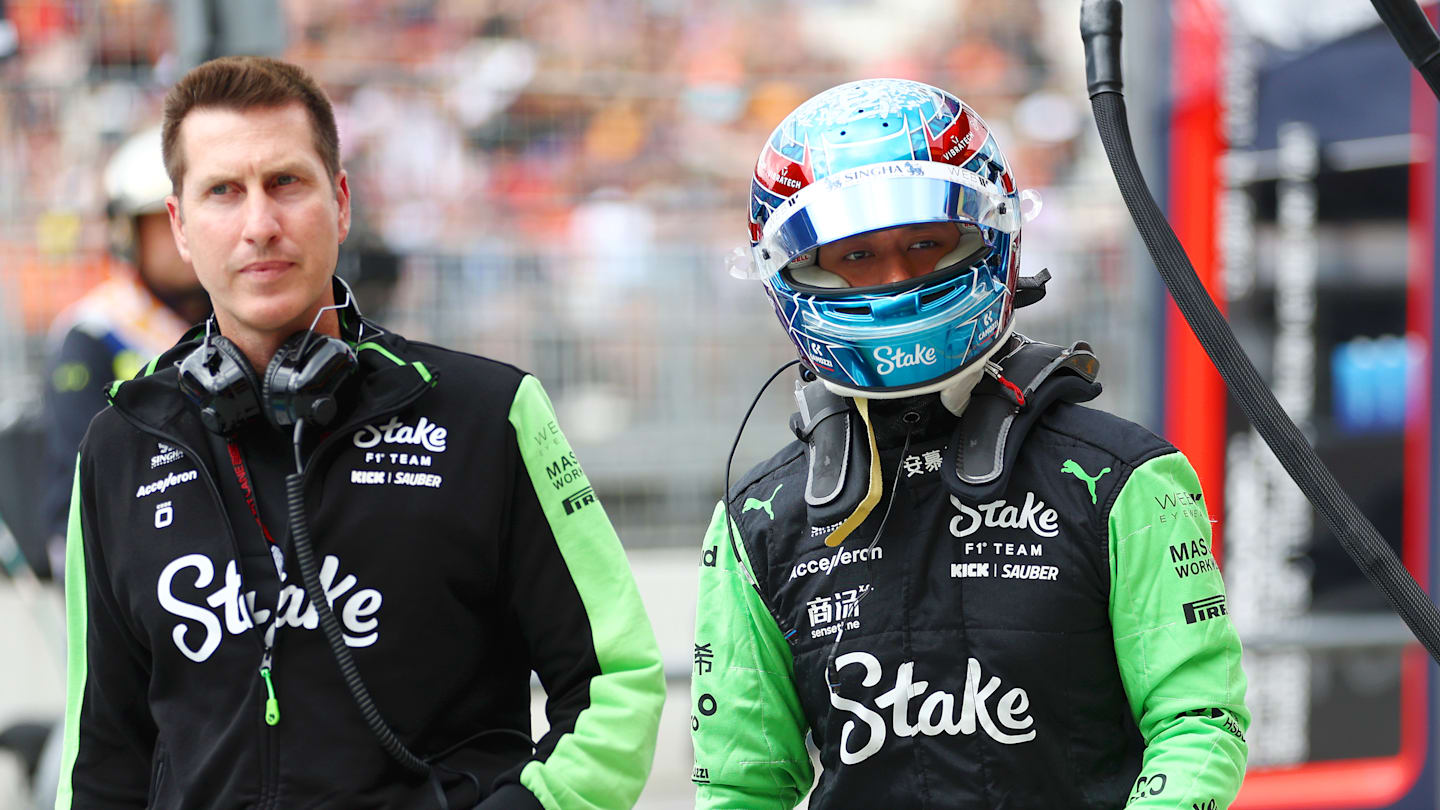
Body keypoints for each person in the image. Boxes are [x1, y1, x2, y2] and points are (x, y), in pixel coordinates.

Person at [57, 55, 664, 810]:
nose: (259, 224)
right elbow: (103, 758)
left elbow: (617, 682)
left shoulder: (487, 413)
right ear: (180, 227)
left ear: (340, 203)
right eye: (223, 192)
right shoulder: (119, 447)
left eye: (286, 182)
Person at [691, 78, 1250, 809]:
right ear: (791, 271)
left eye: (925, 244)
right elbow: (740, 785)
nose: (894, 282)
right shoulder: (758, 519)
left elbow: (1199, 722)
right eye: (855, 256)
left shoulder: (1121, 477)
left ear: (995, 237)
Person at [37, 125, 211, 581]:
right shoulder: (93, 333)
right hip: (125, 566)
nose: (183, 235)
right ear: (128, 232)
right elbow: (76, 492)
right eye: (164, 220)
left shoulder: (244, 322)